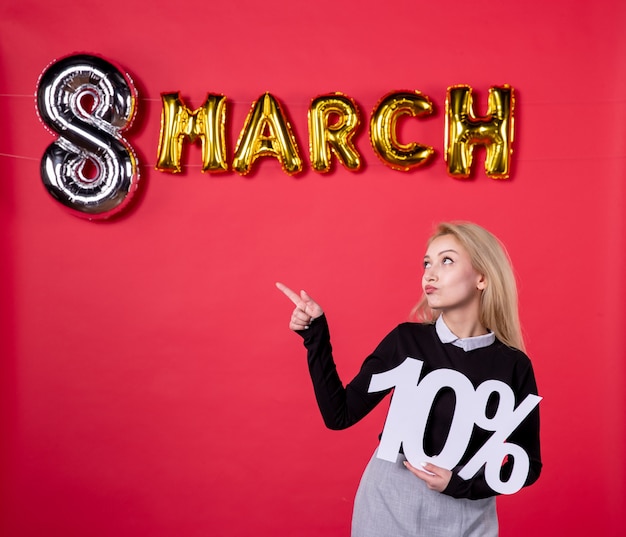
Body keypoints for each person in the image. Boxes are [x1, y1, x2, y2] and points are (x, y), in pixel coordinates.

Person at [276, 221, 541, 537]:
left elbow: (528, 464)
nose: (430, 273)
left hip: (468, 514)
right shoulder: (406, 342)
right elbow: (340, 414)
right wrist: (314, 335)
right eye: (427, 263)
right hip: (389, 500)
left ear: (482, 278)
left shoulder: (513, 365)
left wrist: (463, 485)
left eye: (447, 261)